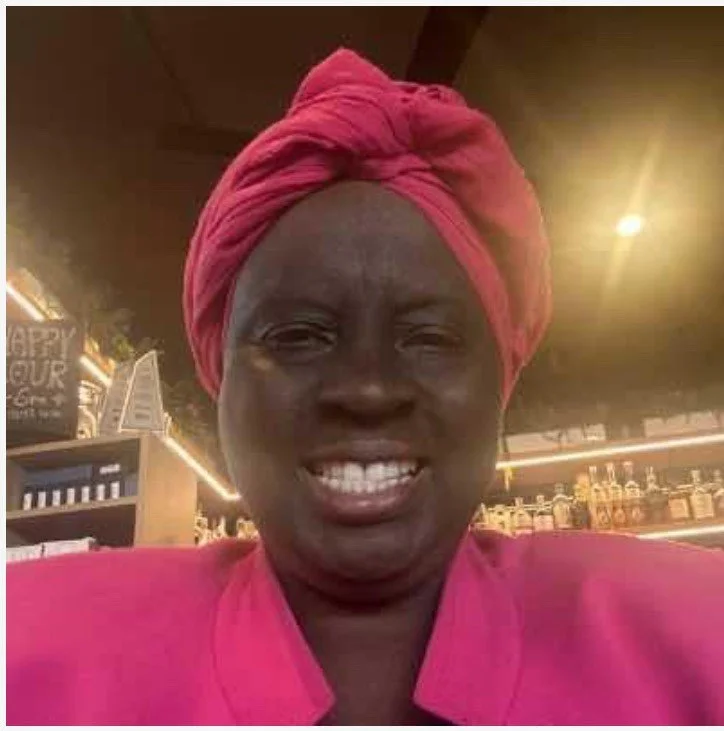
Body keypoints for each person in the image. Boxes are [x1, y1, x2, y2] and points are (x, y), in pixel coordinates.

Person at [7, 49, 724, 726]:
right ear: (219, 376)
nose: (369, 388)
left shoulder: (691, 632)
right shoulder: (32, 644)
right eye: (298, 335)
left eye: (430, 337)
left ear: (500, 377)